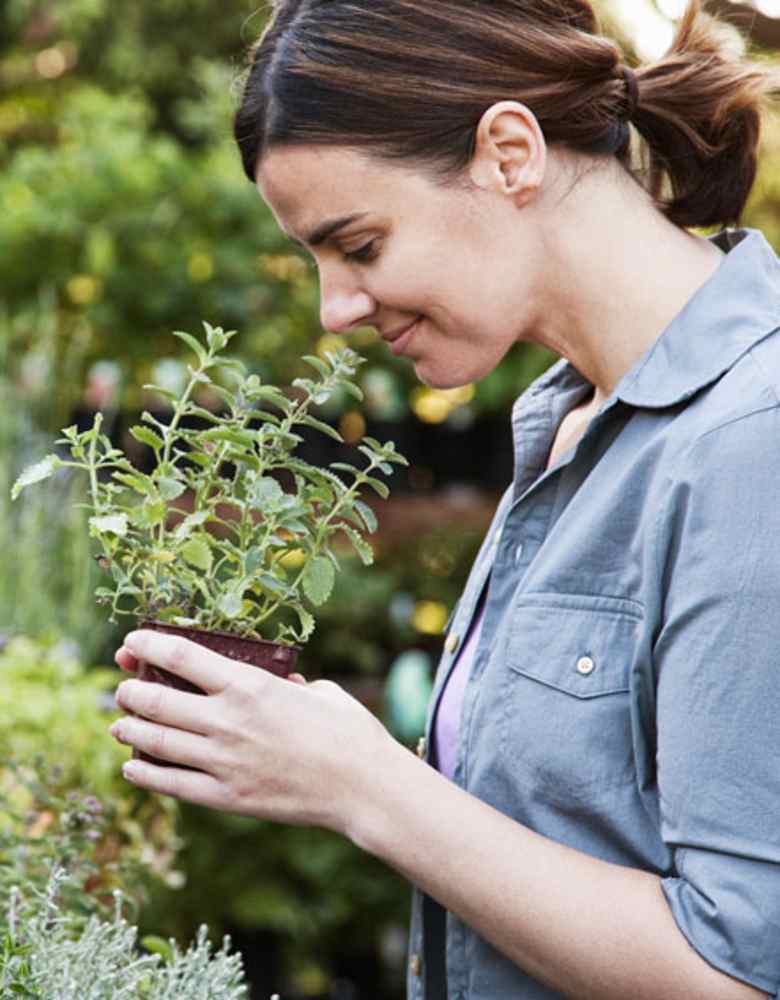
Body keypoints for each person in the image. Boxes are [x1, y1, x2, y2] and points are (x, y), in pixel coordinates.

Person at [109, 1, 780, 996]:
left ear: (510, 153)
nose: (334, 310)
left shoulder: (749, 439)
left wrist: (361, 784)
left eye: (361, 245)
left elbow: (734, 971)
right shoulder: (566, 432)